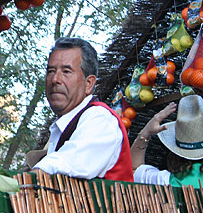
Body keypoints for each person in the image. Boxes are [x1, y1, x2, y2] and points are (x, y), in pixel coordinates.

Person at [26, 37, 134, 181]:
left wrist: (20, 183)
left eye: (66, 71)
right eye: (51, 71)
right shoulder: (63, 126)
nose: (55, 79)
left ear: (89, 83)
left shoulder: (100, 119)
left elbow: (67, 163)